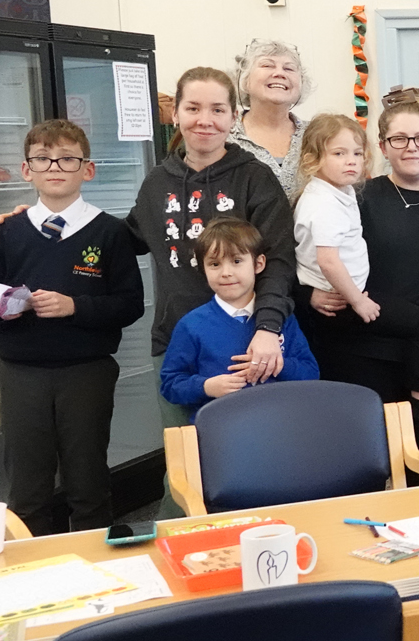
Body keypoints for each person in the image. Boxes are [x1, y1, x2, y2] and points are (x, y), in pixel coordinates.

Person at [0, 120, 143, 533]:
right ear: (26, 169)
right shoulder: (9, 231)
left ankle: (95, 568)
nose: (55, 166)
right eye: (43, 159)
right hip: (20, 373)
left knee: (87, 480)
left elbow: (130, 304)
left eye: (67, 158)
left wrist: (75, 306)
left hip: (85, 372)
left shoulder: (109, 232)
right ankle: (33, 574)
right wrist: (3, 310)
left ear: (87, 169)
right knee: (27, 485)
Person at [309, 91, 419, 470]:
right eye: (399, 139)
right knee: (361, 462)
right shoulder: (355, 198)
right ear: (383, 146)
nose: (411, 148)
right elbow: (311, 256)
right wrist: (310, 294)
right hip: (364, 350)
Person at [127, 66, 296, 429]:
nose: (205, 120)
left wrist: (268, 329)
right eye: (193, 108)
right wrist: (50, 215)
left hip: (247, 343)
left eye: (218, 110)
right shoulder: (157, 183)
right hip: (178, 343)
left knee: (254, 455)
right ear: (175, 114)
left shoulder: (254, 178)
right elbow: (125, 238)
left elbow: (279, 260)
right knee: (184, 468)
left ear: (234, 117)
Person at [291, 113, 419, 405]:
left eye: (357, 153)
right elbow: (328, 261)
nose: (351, 161)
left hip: (345, 298)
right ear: (313, 159)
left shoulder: (338, 191)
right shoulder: (323, 204)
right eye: (339, 153)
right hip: (343, 303)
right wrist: (358, 300)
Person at [159, 218, 319, 420]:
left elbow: (311, 373)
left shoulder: (281, 319)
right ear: (203, 268)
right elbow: (170, 384)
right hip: (221, 432)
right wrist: (206, 386)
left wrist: (278, 365)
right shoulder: (191, 325)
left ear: (258, 264)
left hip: (281, 428)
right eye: (214, 264)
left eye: (236, 261)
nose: (226, 273)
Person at [227, 40, 311, 196]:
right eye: (267, 65)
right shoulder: (224, 137)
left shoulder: (318, 135)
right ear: (244, 79)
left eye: (289, 68)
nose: (280, 73)